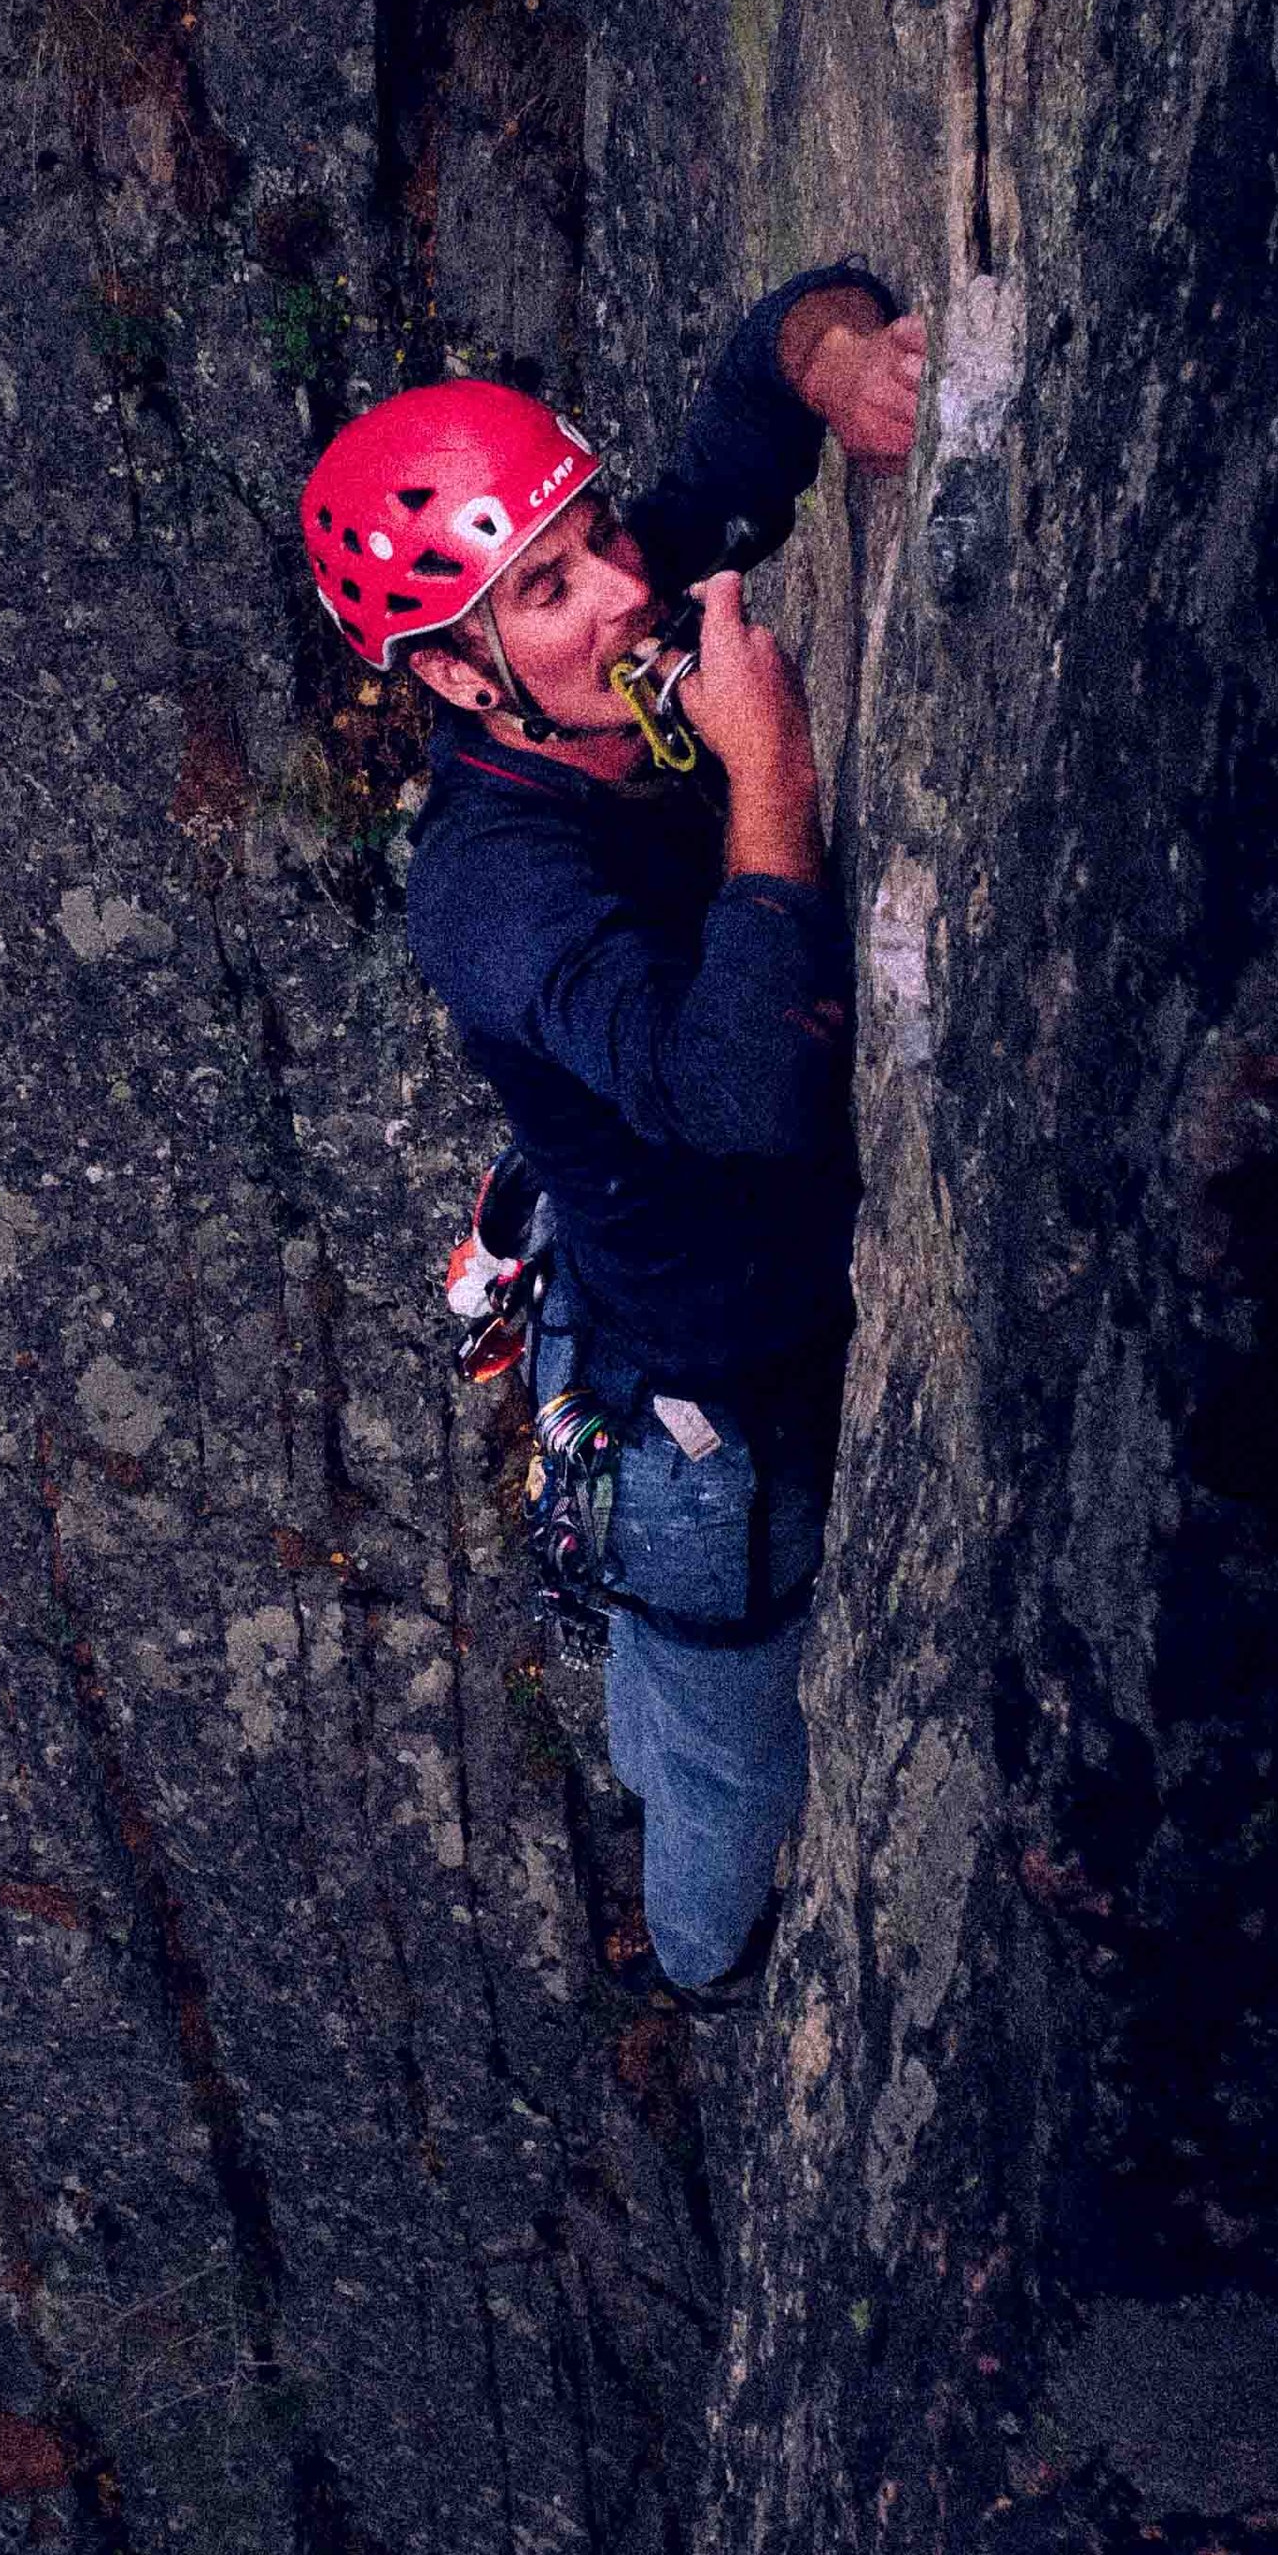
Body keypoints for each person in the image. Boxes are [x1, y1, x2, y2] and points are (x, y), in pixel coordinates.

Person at [297, 273, 924, 2004]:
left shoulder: (594, 640)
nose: (631, 589)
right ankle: (704, 1964)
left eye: (591, 537)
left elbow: (762, 380)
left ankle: (642, 1737)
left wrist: (841, 357)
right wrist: (771, 776)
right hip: (718, 1373)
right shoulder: (492, 894)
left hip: (625, 1285)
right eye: (553, 587)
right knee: (724, 1742)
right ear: (453, 672)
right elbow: (739, 1098)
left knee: (666, 1674)